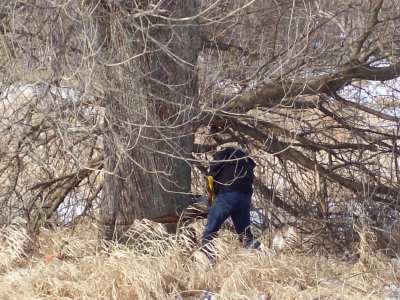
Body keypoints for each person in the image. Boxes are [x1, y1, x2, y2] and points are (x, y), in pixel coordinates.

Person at [202, 147, 261, 258]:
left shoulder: (222, 155)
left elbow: (211, 177)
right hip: (245, 197)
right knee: (245, 235)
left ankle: (208, 261)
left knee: (209, 231)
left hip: (227, 195)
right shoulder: (246, 160)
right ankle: (259, 258)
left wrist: (210, 200)